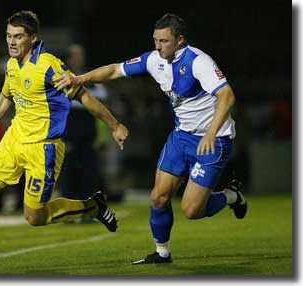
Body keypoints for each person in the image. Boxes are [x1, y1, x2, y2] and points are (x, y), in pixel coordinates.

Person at [0, 10, 128, 273]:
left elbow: (84, 96)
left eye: (18, 36)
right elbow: (4, 98)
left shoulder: (49, 66)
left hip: (44, 148)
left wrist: (115, 125)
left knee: (35, 217)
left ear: (33, 38)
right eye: (8, 36)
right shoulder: (11, 64)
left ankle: (92, 206)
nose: (12, 42)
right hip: (14, 140)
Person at [56, 13, 247, 264]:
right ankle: (162, 252)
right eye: (155, 40)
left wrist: (210, 133)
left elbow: (227, 96)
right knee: (158, 196)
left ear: (180, 40)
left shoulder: (198, 61)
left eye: (164, 41)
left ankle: (231, 196)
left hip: (213, 140)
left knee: (191, 210)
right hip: (181, 137)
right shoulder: (153, 60)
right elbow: (114, 70)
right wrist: (80, 78)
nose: (158, 46)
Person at [60, 44, 109, 202]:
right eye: (75, 56)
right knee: (69, 171)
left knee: (89, 171)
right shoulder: (60, 78)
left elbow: (102, 95)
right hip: (68, 134)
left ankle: (87, 207)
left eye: (80, 55)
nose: (78, 59)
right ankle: (69, 207)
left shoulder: (91, 79)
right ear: (69, 59)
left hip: (89, 135)